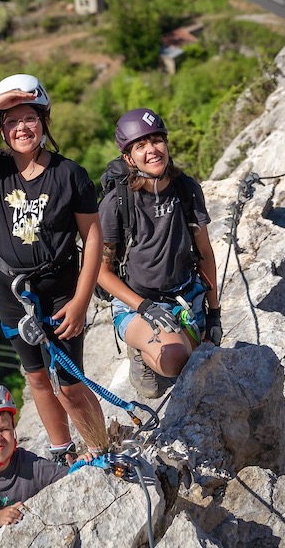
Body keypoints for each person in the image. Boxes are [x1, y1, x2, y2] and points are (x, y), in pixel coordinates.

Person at [0, 73, 106, 465]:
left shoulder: (69, 174)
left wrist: (82, 301)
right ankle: (63, 451)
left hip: (61, 288)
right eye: (10, 121)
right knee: (35, 377)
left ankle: (101, 448)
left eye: (29, 118)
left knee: (68, 384)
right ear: (0, 129)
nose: (21, 128)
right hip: (12, 290)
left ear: (45, 122)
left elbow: (94, 238)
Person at [97, 108, 222, 399]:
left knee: (206, 358)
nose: (152, 150)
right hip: (137, 303)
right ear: (128, 158)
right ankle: (142, 351)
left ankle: (172, 341)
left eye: (157, 141)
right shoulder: (117, 203)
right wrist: (145, 308)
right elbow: (100, 273)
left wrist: (214, 313)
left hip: (185, 294)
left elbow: (204, 253)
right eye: (140, 146)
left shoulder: (185, 188)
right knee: (177, 360)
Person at [0, 382, 68, 532]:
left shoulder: (30, 464)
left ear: (13, 431)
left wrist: (82, 466)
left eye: (4, 429)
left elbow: (70, 476)